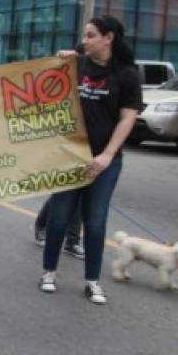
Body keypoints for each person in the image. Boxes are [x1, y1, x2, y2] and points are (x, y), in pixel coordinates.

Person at [40, 15, 142, 305]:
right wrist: (58, 62)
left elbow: (128, 117)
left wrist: (107, 155)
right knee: (60, 216)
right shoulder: (76, 65)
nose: (84, 41)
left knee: (95, 221)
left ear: (108, 38)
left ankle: (92, 281)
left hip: (104, 161)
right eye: (84, 36)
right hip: (69, 155)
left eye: (91, 36)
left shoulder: (126, 75)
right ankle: (49, 272)